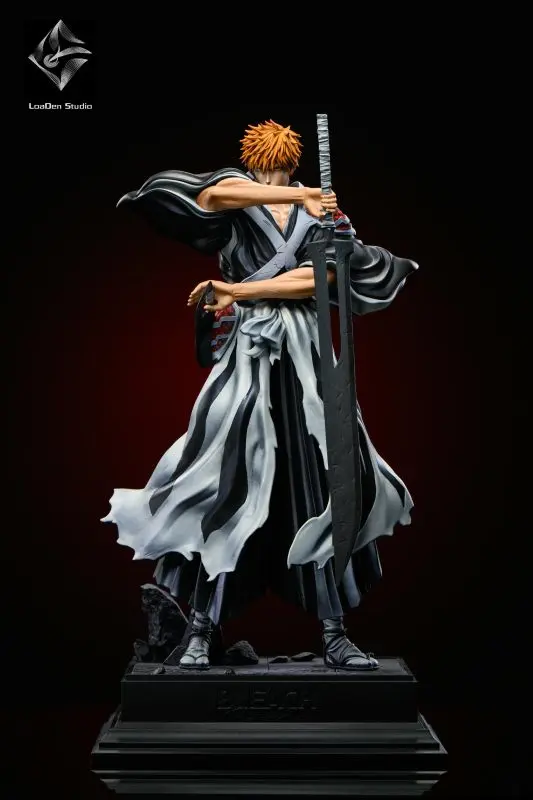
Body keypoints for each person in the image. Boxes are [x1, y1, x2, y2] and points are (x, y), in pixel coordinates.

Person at [102, 120, 419, 671]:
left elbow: (321, 280)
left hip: (306, 359)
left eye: (281, 172)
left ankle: (334, 633)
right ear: (253, 167)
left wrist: (239, 288)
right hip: (247, 357)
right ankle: (200, 630)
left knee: (321, 476)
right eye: (264, 172)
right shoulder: (241, 198)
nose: (271, 178)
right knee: (221, 480)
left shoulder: (322, 217)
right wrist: (301, 195)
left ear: (291, 165)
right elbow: (211, 194)